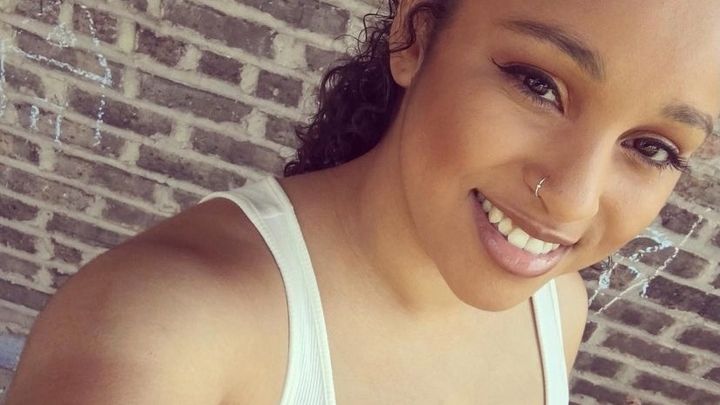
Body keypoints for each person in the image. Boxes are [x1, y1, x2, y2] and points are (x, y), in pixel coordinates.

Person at [5, 0, 720, 404]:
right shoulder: (161, 333)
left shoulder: (556, 308)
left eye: (652, 147)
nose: (571, 200)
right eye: (539, 85)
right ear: (415, 34)